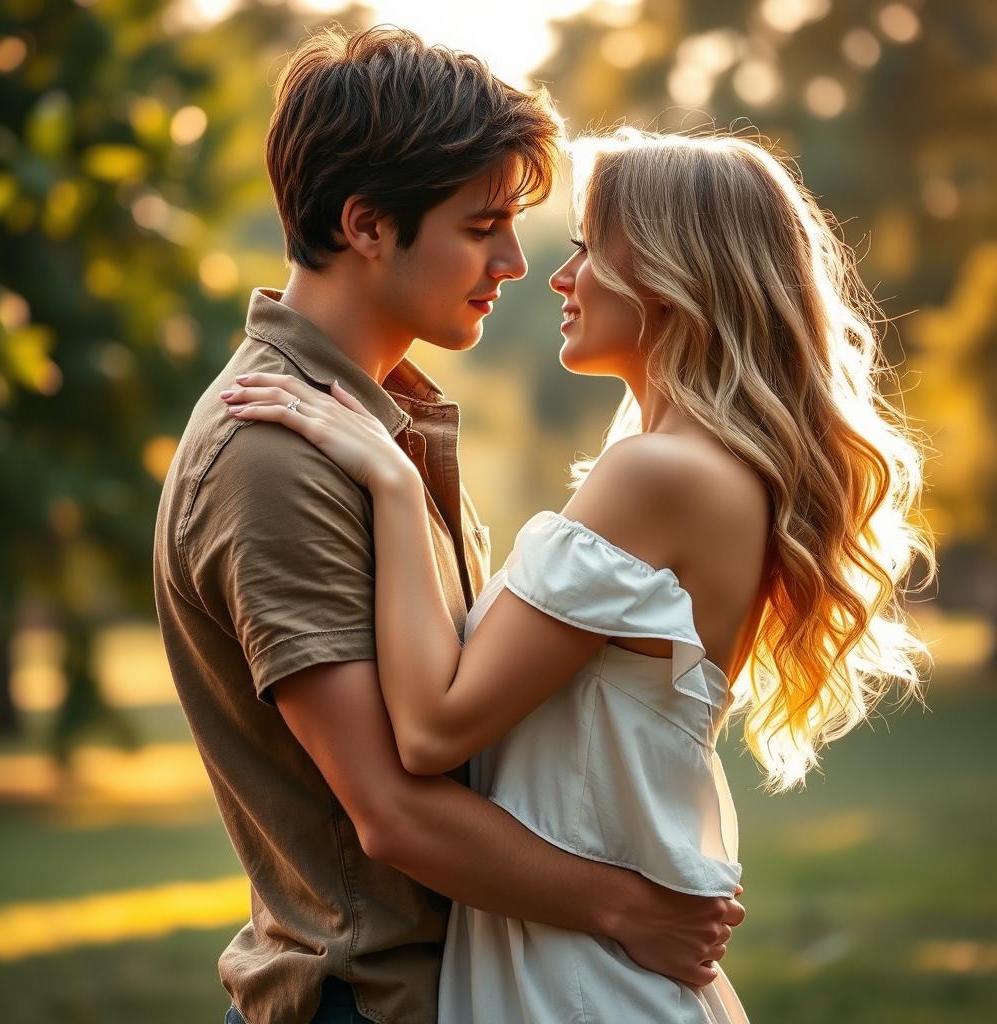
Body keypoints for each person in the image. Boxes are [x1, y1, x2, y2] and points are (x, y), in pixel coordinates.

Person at [222, 126, 934, 1022]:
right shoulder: (711, 473)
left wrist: (395, 484)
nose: (558, 277)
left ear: (677, 275)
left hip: (581, 984)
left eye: (590, 250)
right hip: (595, 971)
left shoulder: (656, 477)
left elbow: (434, 731)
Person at [153, 29, 743, 1024]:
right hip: (368, 1001)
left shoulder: (378, 422)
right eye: (482, 226)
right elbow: (390, 811)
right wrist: (627, 907)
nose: (517, 261)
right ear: (368, 225)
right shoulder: (274, 455)